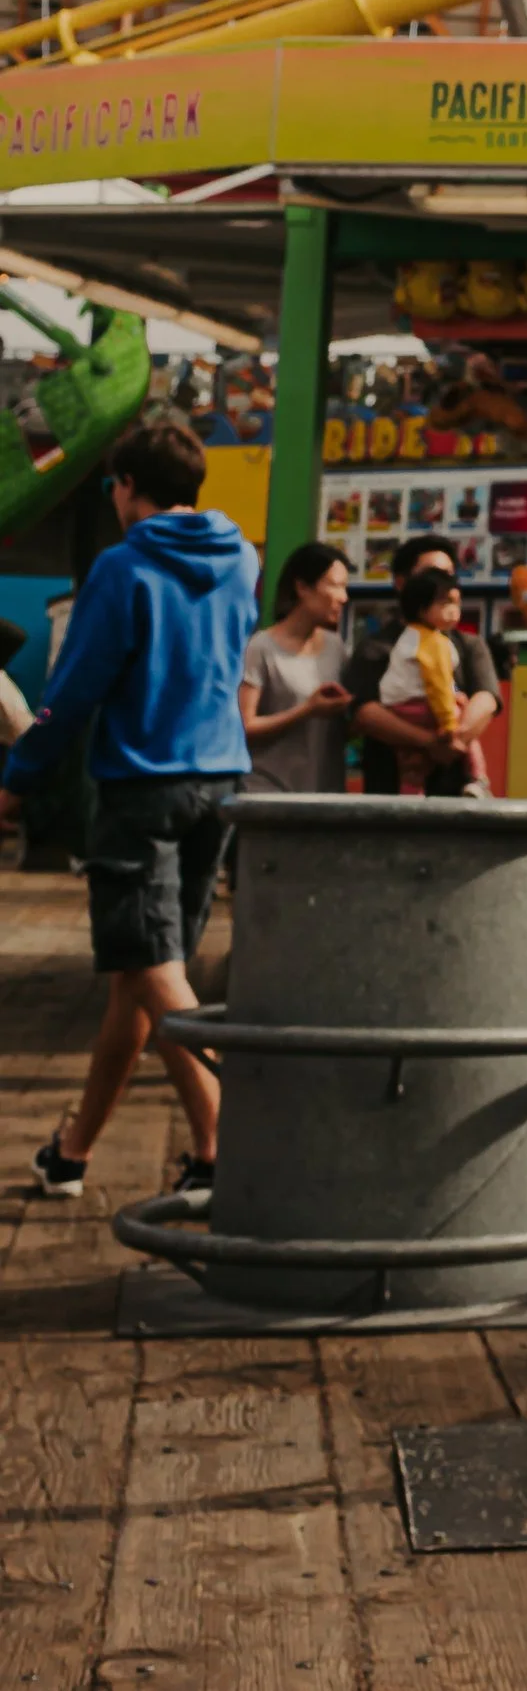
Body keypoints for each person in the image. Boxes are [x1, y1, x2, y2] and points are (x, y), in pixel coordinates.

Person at [0, 415, 259, 1199]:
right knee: (140, 976)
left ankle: (231, 1145)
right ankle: (72, 1153)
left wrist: (16, 777)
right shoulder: (241, 559)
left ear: (126, 489)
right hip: (219, 786)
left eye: (112, 485)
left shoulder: (122, 568)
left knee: (151, 968)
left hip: (141, 788)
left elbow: (71, 692)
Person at [346, 535, 500, 795]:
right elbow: (365, 713)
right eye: (432, 575)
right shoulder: (375, 646)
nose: (443, 584)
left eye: (449, 575)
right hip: (388, 795)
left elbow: (486, 698)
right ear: (401, 583)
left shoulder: (469, 644)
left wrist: (454, 739)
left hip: (456, 796)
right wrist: (430, 743)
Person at [238, 542, 354, 794]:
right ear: (302, 587)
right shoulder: (261, 648)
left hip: (325, 795)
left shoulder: (336, 647)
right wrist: (307, 710)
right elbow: (244, 727)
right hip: (269, 793)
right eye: (334, 585)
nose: (343, 597)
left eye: (344, 587)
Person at [377, 567, 490, 795]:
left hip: (396, 709)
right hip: (417, 708)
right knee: (462, 711)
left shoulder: (412, 635)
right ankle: (478, 777)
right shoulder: (433, 643)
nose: (454, 611)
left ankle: (411, 794)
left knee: (413, 763)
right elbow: (437, 685)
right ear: (421, 608)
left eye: (457, 603)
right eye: (445, 603)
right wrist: (450, 725)